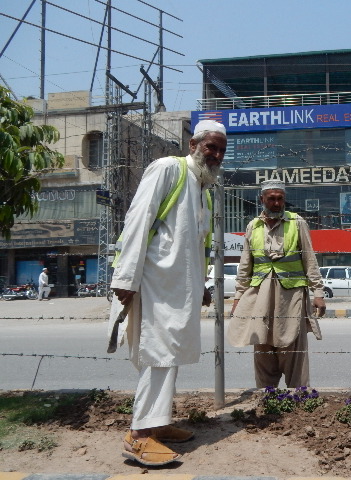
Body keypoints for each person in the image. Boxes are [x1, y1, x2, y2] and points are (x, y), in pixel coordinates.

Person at [108, 119, 227, 466]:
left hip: (180, 287)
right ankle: (139, 436)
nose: (217, 154)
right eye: (211, 147)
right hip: (153, 282)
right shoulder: (167, 169)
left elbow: (195, 245)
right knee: (158, 353)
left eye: (221, 149)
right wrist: (126, 277)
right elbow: (138, 218)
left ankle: (157, 424)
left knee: (170, 352)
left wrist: (202, 285)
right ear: (194, 145)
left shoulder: (203, 189)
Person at [228, 180, 326, 388]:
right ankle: (267, 398)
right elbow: (245, 266)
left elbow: (310, 259)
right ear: (262, 199)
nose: (276, 203)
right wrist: (238, 298)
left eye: (280, 199)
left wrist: (318, 292)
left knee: (292, 347)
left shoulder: (297, 222)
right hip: (260, 297)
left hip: (291, 298)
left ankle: (298, 398)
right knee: (262, 347)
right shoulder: (253, 226)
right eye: (271, 199)